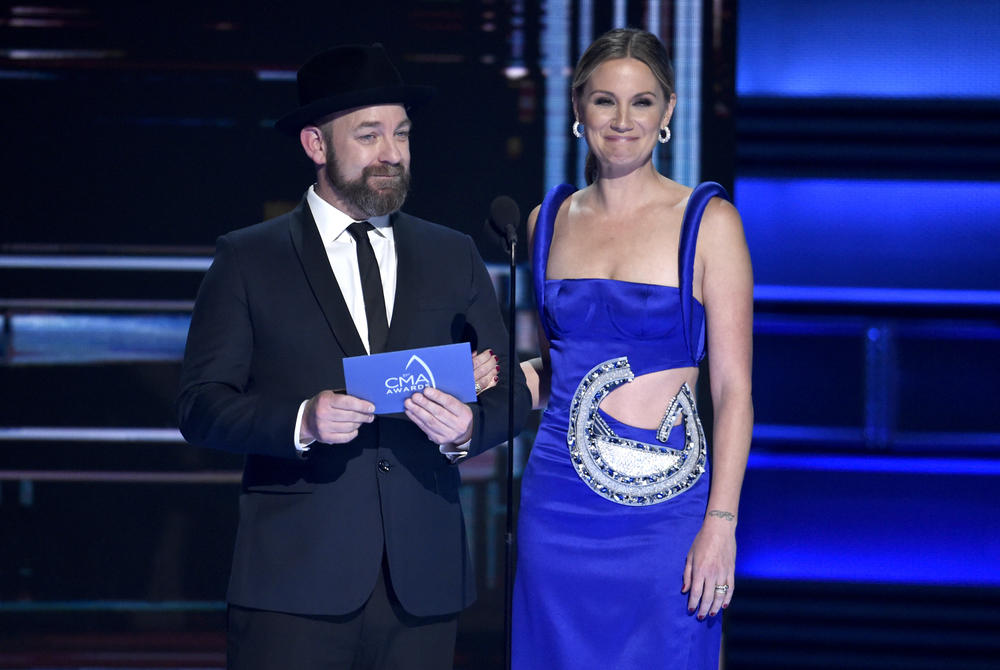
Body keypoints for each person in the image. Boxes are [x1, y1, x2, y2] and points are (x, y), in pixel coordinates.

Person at [177, 43, 530, 670]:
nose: (391, 152)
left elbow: (509, 389)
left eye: (401, 133)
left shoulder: (453, 255)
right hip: (293, 588)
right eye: (368, 135)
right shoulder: (249, 259)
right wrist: (301, 421)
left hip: (423, 586)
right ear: (316, 145)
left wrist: (470, 428)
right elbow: (202, 407)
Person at [512, 28, 753, 668]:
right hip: (556, 509)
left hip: (667, 519)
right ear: (578, 107)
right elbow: (558, 362)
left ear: (668, 111)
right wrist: (493, 382)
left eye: (642, 103)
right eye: (604, 102)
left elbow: (733, 392)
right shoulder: (547, 221)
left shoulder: (711, 224)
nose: (622, 121)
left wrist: (721, 524)